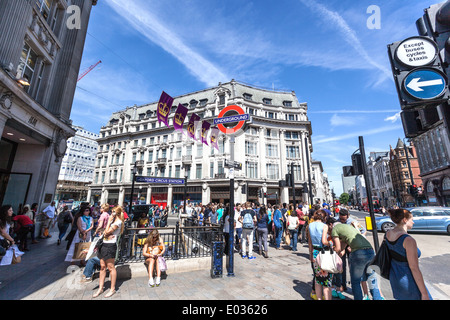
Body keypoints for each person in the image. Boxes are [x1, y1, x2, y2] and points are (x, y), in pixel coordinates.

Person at [329, 220, 382, 300]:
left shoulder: (334, 229)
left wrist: (333, 251)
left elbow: (338, 248)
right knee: (372, 279)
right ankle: (377, 298)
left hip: (358, 253)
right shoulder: (348, 228)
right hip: (370, 251)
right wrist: (340, 251)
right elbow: (343, 246)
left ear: (331, 225)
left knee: (355, 281)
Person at [385, 208, 432, 300]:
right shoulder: (408, 240)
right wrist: (424, 293)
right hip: (409, 281)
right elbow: (414, 268)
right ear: (405, 220)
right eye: (412, 220)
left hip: (395, 278)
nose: (413, 222)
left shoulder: (388, 233)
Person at [93, 206, 124, 298]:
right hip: (104, 244)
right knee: (102, 266)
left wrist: (109, 222)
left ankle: (112, 289)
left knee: (110, 267)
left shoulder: (118, 222)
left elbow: (107, 232)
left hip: (110, 245)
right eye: (111, 212)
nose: (111, 214)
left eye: (113, 212)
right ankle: (101, 287)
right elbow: (105, 233)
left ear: (117, 213)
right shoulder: (114, 221)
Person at [308, 210, 333, 300]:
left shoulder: (310, 225)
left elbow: (310, 242)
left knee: (317, 278)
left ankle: (318, 298)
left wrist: (311, 254)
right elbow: (324, 241)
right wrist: (330, 243)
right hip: (323, 253)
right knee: (327, 281)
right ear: (324, 217)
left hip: (314, 252)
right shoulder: (324, 226)